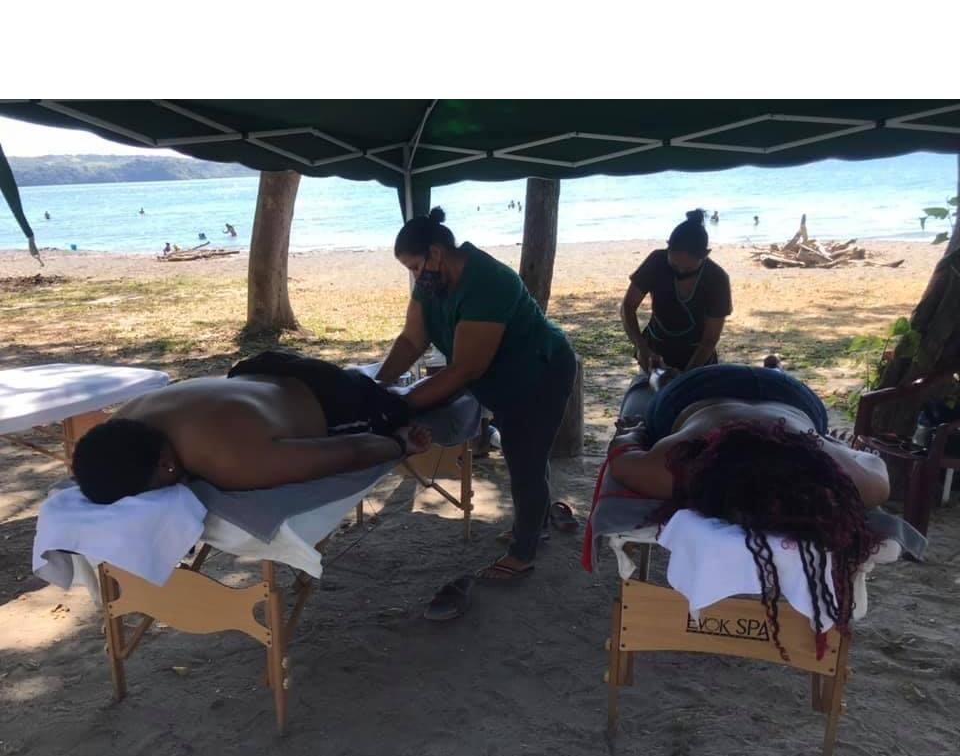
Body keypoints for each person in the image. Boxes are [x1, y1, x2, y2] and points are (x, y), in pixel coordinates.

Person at [606, 363, 889, 656]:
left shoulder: (680, 464)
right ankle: (770, 370)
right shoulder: (680, 463)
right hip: (718, 393)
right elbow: (623, 454)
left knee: (663, 381)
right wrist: (632, 433)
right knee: (663, 382)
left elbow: (621, 453)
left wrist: (633, 430)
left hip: (750, 393)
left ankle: (767, 371)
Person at [377, 207, 577, 583]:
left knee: (525, 459)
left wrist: (396, 405)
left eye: (416, 266)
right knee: (526, 453)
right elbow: (411, 340)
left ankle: (524, 551)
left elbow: (464, 370)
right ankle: (537, 523)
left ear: (436, 253)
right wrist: (380, 385)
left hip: (541, 371)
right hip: (502, 376)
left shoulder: (487, 281)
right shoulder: (431, 283)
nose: (415, 276)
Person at [72, 354, 428, 504]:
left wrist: (397, 446)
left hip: (330, 398)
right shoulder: (128, 417)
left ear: (166, 465)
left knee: (402, 406)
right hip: (256, 371)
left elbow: (354, 450)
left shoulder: (231, 461)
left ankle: (464, 374)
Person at [621, 209, 732, 376]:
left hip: (698, 357)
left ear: (705, 255)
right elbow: (627, 307)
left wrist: (685, 377)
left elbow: (709, 340)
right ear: (668, 248)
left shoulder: (717, 278)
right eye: (674, 266)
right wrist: (641, 348)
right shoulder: (656, 261)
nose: (680, 271)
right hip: (655, 352)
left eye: (688, 269)